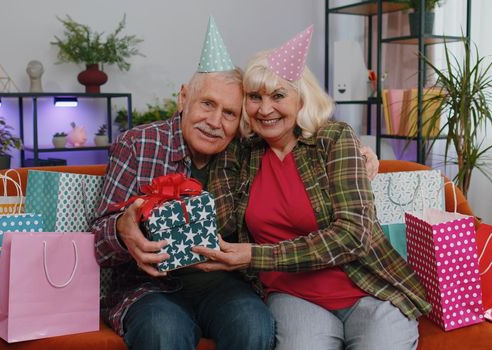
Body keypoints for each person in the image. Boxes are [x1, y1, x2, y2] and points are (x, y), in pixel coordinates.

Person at [193, 26, 431, 350]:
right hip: (293, 297)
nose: (265, 109)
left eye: (278, 95)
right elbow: (219, 221)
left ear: (301, 98)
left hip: (369, 289)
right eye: (254, 97)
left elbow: (353, 234)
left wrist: (255, 255)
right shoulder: (240, 153)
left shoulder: (334, 140)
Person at [91, 17, 275, 350]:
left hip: (222, 285)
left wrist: (359, 150)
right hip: (148, 288)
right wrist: (122, 230)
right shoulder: (138, 144)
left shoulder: (246, 154)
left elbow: (300, 141)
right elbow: (97, 241)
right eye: (207, 104)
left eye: (229, 113)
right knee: (163, 331)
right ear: (183, 98)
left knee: (254, 325)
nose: (215, 122)